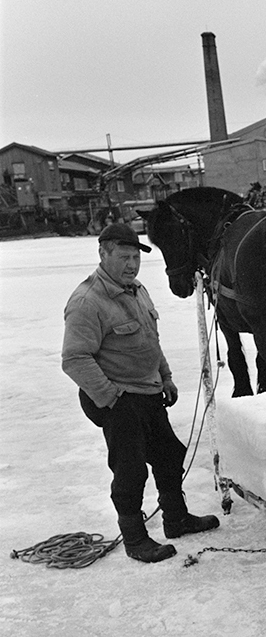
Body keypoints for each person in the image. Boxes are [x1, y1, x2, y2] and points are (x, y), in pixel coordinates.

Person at [62, 222, 219, 563]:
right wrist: (111, 398)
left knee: (169, 455)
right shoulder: (88, 301)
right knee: (130, 470)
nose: (131, 264)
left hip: (148, 391)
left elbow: (150, 340)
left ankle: (176, 519)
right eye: (123, 257)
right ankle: (135, 539)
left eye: (136, 257)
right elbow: (74, 359)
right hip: (117, 397)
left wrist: (166, 377)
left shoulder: (137, 290)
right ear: (103, 254)